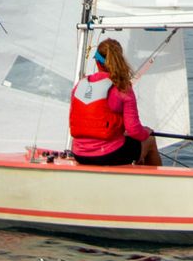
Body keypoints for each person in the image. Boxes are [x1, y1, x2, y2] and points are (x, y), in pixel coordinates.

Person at [69, 37, 161, 167]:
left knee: (129, 143)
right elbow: (134, 130)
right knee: (149, 140)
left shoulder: (79, 86)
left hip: (79, 154)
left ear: (97, 62)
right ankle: (154, 184)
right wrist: (146, 132)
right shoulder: (122, 87)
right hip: (108, 155)